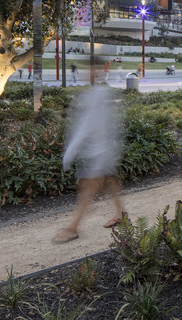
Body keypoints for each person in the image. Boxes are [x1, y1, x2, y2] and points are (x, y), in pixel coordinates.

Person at [53, 75, 126, 243]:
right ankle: (120, 211)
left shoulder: (96, 97)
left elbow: (86, 127)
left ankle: (72, 228)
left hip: (99, 153)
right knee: (110, 181)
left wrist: (69, 154)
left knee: (88, 190)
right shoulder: (98, 94)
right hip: (103, 151)